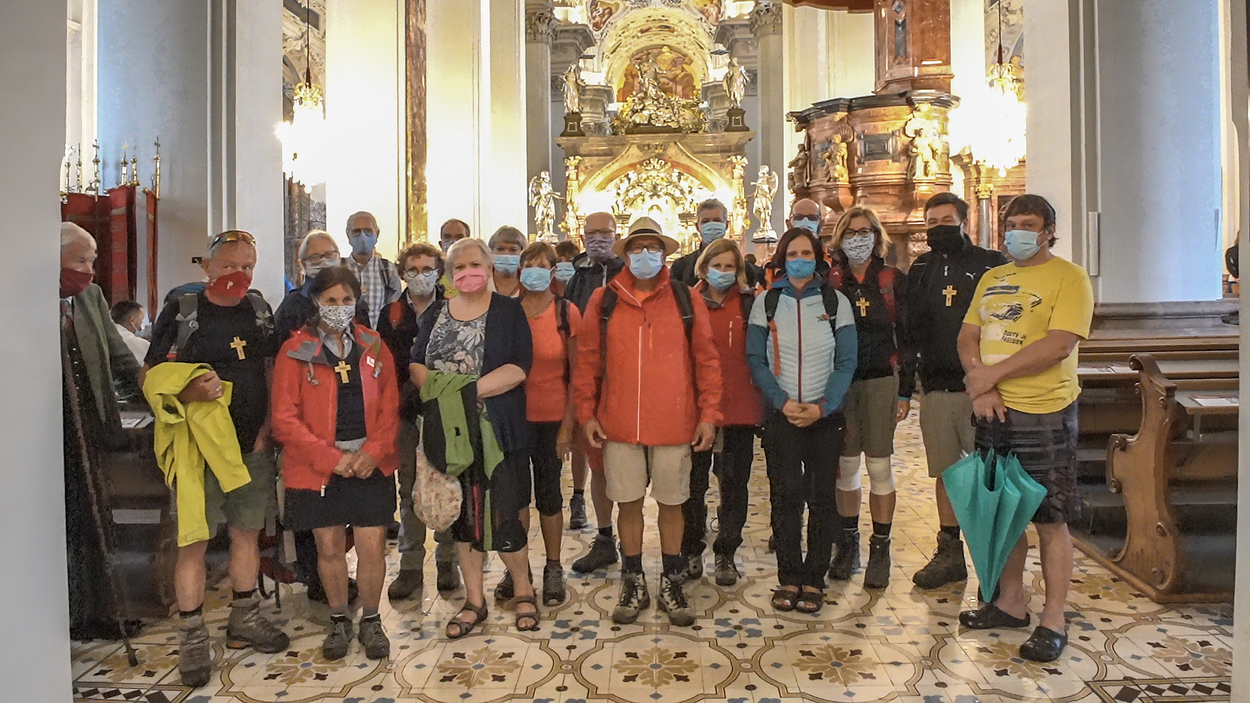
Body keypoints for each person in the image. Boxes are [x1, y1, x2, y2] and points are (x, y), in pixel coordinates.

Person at [143, 230, 288, 687]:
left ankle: (244, 616)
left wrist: (268, 428)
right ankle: (191, 635)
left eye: (247, 266)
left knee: (247, 533)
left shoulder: (259, 309)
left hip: (251, 446)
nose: (238, 274)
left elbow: (269, 368)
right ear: (206, 267)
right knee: (194, 542)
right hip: (199, 449)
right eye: (228, 265)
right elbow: (150, 374)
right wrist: (187, 390)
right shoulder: (183, 309)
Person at [956, 194, 1094, 663]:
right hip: (993, 411)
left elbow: (1058, 345)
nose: (1017, 231)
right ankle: (1010, 603)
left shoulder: (1069, 277)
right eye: (1011, 223)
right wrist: (981, 386)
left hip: (1044, 411)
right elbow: (968, 336)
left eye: (1028, 224)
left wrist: (990, 376)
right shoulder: (994, 278)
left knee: (1050, 519)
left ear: (1048, 231)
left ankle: (1054, 619)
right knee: (1003, 512)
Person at [573, 217, 722, 627]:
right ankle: (633, 578)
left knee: (673, 504)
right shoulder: (604, 300)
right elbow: (587, 362)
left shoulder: (686, 299)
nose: (644, 255)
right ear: (625, 255)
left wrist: (709, 414)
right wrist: (586, 412)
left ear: (664, 253)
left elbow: (707, 360)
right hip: (619, 422)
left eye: (652, 248)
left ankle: (672, 579)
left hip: (675, 421)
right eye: (637, 248)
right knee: (629, 504)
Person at [410, 238, 539, 637]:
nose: (468, 272)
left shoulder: (508, 311)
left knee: (504, 514)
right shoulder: (436, 312)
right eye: (459, 267)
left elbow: (519, 366)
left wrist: (465, 392)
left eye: (475, 264)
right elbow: (416, 365)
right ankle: (474, 601)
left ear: (489, 267)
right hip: (449, 433)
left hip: (496, 428)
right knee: (464, 519)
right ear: (449, 275)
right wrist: (448, 395)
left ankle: (523, 590)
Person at [270, 267, 399, 661]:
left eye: (347, 300)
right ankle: (339, 619)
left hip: (368, 463)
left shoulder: (374, 345)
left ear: (356, 302)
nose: (339, 307)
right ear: (315, 302)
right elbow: (284, 419)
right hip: (319, 467)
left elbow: (391, 407)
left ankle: (372, 619)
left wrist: (373, 452)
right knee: (329, 547)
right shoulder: (295, 350)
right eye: (331, 300)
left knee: (372, 545)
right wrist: (333, 460)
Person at [746, 227, 856, 615]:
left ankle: (814, 578)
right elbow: (756, 358)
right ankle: (789, 576)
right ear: (782, 259)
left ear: (817, 258)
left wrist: (822, 406)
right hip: (782, 415)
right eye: (792, 254)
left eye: (806, 254)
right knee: (786, 497)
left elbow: (846, 361)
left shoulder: (835, 301)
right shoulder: (767, 302)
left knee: (822, 498)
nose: (799, 260)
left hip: (825, 416)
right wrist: (782, 402)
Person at [904, 192, 1009, 590]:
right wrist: (909, 383)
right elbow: (911, 327)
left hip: (982, 388)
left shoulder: (991, 264)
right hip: (936, 386)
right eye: (931, 222)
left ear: (964, 222)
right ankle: (949, 554)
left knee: (988, 473)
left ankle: (993, 560)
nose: (938, 228)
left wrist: (990, 379)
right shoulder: (921, 267)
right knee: (947, 473)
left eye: (946, 221)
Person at [273, 230, 368, 604]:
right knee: (315, 519)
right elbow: (280, 365)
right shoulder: (292, 307)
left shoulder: (352, 303)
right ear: (302, 265)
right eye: (315, 257)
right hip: (309, 429)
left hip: (351, 427)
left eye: (330, 254)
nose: (323, 261)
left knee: (348, 520)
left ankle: (340, 577)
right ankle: (316, 577)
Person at [59, 223, 143, 641]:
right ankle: (65, 614)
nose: (88, 270)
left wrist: (154, 389)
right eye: (80, 260)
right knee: (61, 523)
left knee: (94, 521)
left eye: (92, 261)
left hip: (90, 423)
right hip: (46, 430)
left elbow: (118, 355)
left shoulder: (90, 297)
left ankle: (100, 612)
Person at [824, 207, 910, 589]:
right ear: (840, 238)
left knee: (878, 467)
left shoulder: (891, 280)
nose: (858, 239)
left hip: (880, 381)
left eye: (865, 232)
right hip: (841, 383)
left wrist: (905, 390)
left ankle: (881, 548)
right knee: (845, 467)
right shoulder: (832, 281)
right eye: (851, 232)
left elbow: (906, 336)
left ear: (876, 236)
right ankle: (847, 544)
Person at [494, 242, 581, 606]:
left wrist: (567, 427)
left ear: (552, 271)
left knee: (549, 495)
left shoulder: (565, 312)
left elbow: (577, 374)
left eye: (542, 266)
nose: (534, 272)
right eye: (528, 266)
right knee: (515, 497)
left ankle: (553, 566)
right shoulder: (506, 311)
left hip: (551, 418)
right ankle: (519, 569)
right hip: (512, 419)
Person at [378, 242, 461, 600]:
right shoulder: (392, 313)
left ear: (439, 272)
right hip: (406, 412)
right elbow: (384, 365)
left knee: (446, 481)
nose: (421, 276)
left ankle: (448, 559)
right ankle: (410, 564)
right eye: (413, 270)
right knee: (409, 487)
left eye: (428, 269)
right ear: (402, 273)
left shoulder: (453, 308)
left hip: (445, 410)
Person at [681, 238, 762, 587]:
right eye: (717, 266)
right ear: (704, 267)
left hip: (739, 407)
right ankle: (691, 547)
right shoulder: (687, 301)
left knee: (733, 484)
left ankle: (727, 550)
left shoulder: (749, 303)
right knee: (692, 483)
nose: (723, 272)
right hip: (695, 409)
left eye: (730, 266)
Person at [563, 212, 625, 574]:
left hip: (628, 380)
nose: (598, 239)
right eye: (591, 233)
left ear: (617, 235)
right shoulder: (578, 277)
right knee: (597, 459)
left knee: (633, 466)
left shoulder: (627, 272)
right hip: (591, 378)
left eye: (605, 233)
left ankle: (636, 543)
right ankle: (604, 538)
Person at [342, 211, 402, 328]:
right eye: (356, 231)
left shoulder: (387, 270)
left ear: (377, 233)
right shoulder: (339, 269)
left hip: (378, 337)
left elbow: (394, 309)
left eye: (368, 231)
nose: (362, 237)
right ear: (348, 235)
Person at [488, 226, 527, 298]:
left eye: (513, 249)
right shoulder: (483, 281)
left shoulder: (529, 281)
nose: (506, 254)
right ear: (491, 252)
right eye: (500, 249)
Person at [110, 299, 150, 365]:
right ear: (132, 320)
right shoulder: (139, 344)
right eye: (141, 320)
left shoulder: (104, 334)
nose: (141, 323)